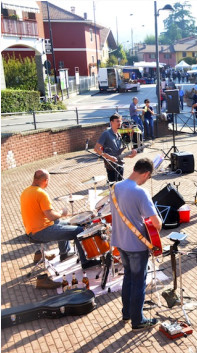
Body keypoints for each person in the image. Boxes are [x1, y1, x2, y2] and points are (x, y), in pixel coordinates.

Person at [20, 170, 99, 287]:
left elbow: (47, 215)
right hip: (40, 232)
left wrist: (60, 217)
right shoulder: (41, 193)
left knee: (63, 223)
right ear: (45, 181)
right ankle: (86, 262)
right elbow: (51, 216)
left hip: (31, 229)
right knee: (78, 231)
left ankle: (64, 252)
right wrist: (62, 212)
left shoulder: (26, 191)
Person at [110, 158, 162, 331]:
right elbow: (156, 223)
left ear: (134, 168)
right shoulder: (140, 192)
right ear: (146, 174)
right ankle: (137, 320)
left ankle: (126, 313)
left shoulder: (115, 187)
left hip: (120, 242)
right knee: (139, 282)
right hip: (137, 246)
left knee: (128, 278)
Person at [95, 114, 136, 184]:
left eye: (120, 121)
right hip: (111, 165)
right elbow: (96, 148)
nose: (119, 123)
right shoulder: (106, 134)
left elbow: (118, 153)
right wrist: (109, 157)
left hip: (120, 164)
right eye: (117, 121)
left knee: (120, 185)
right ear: (111, 122)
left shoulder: (119, 134)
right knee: (113, 187)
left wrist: (130, 156)